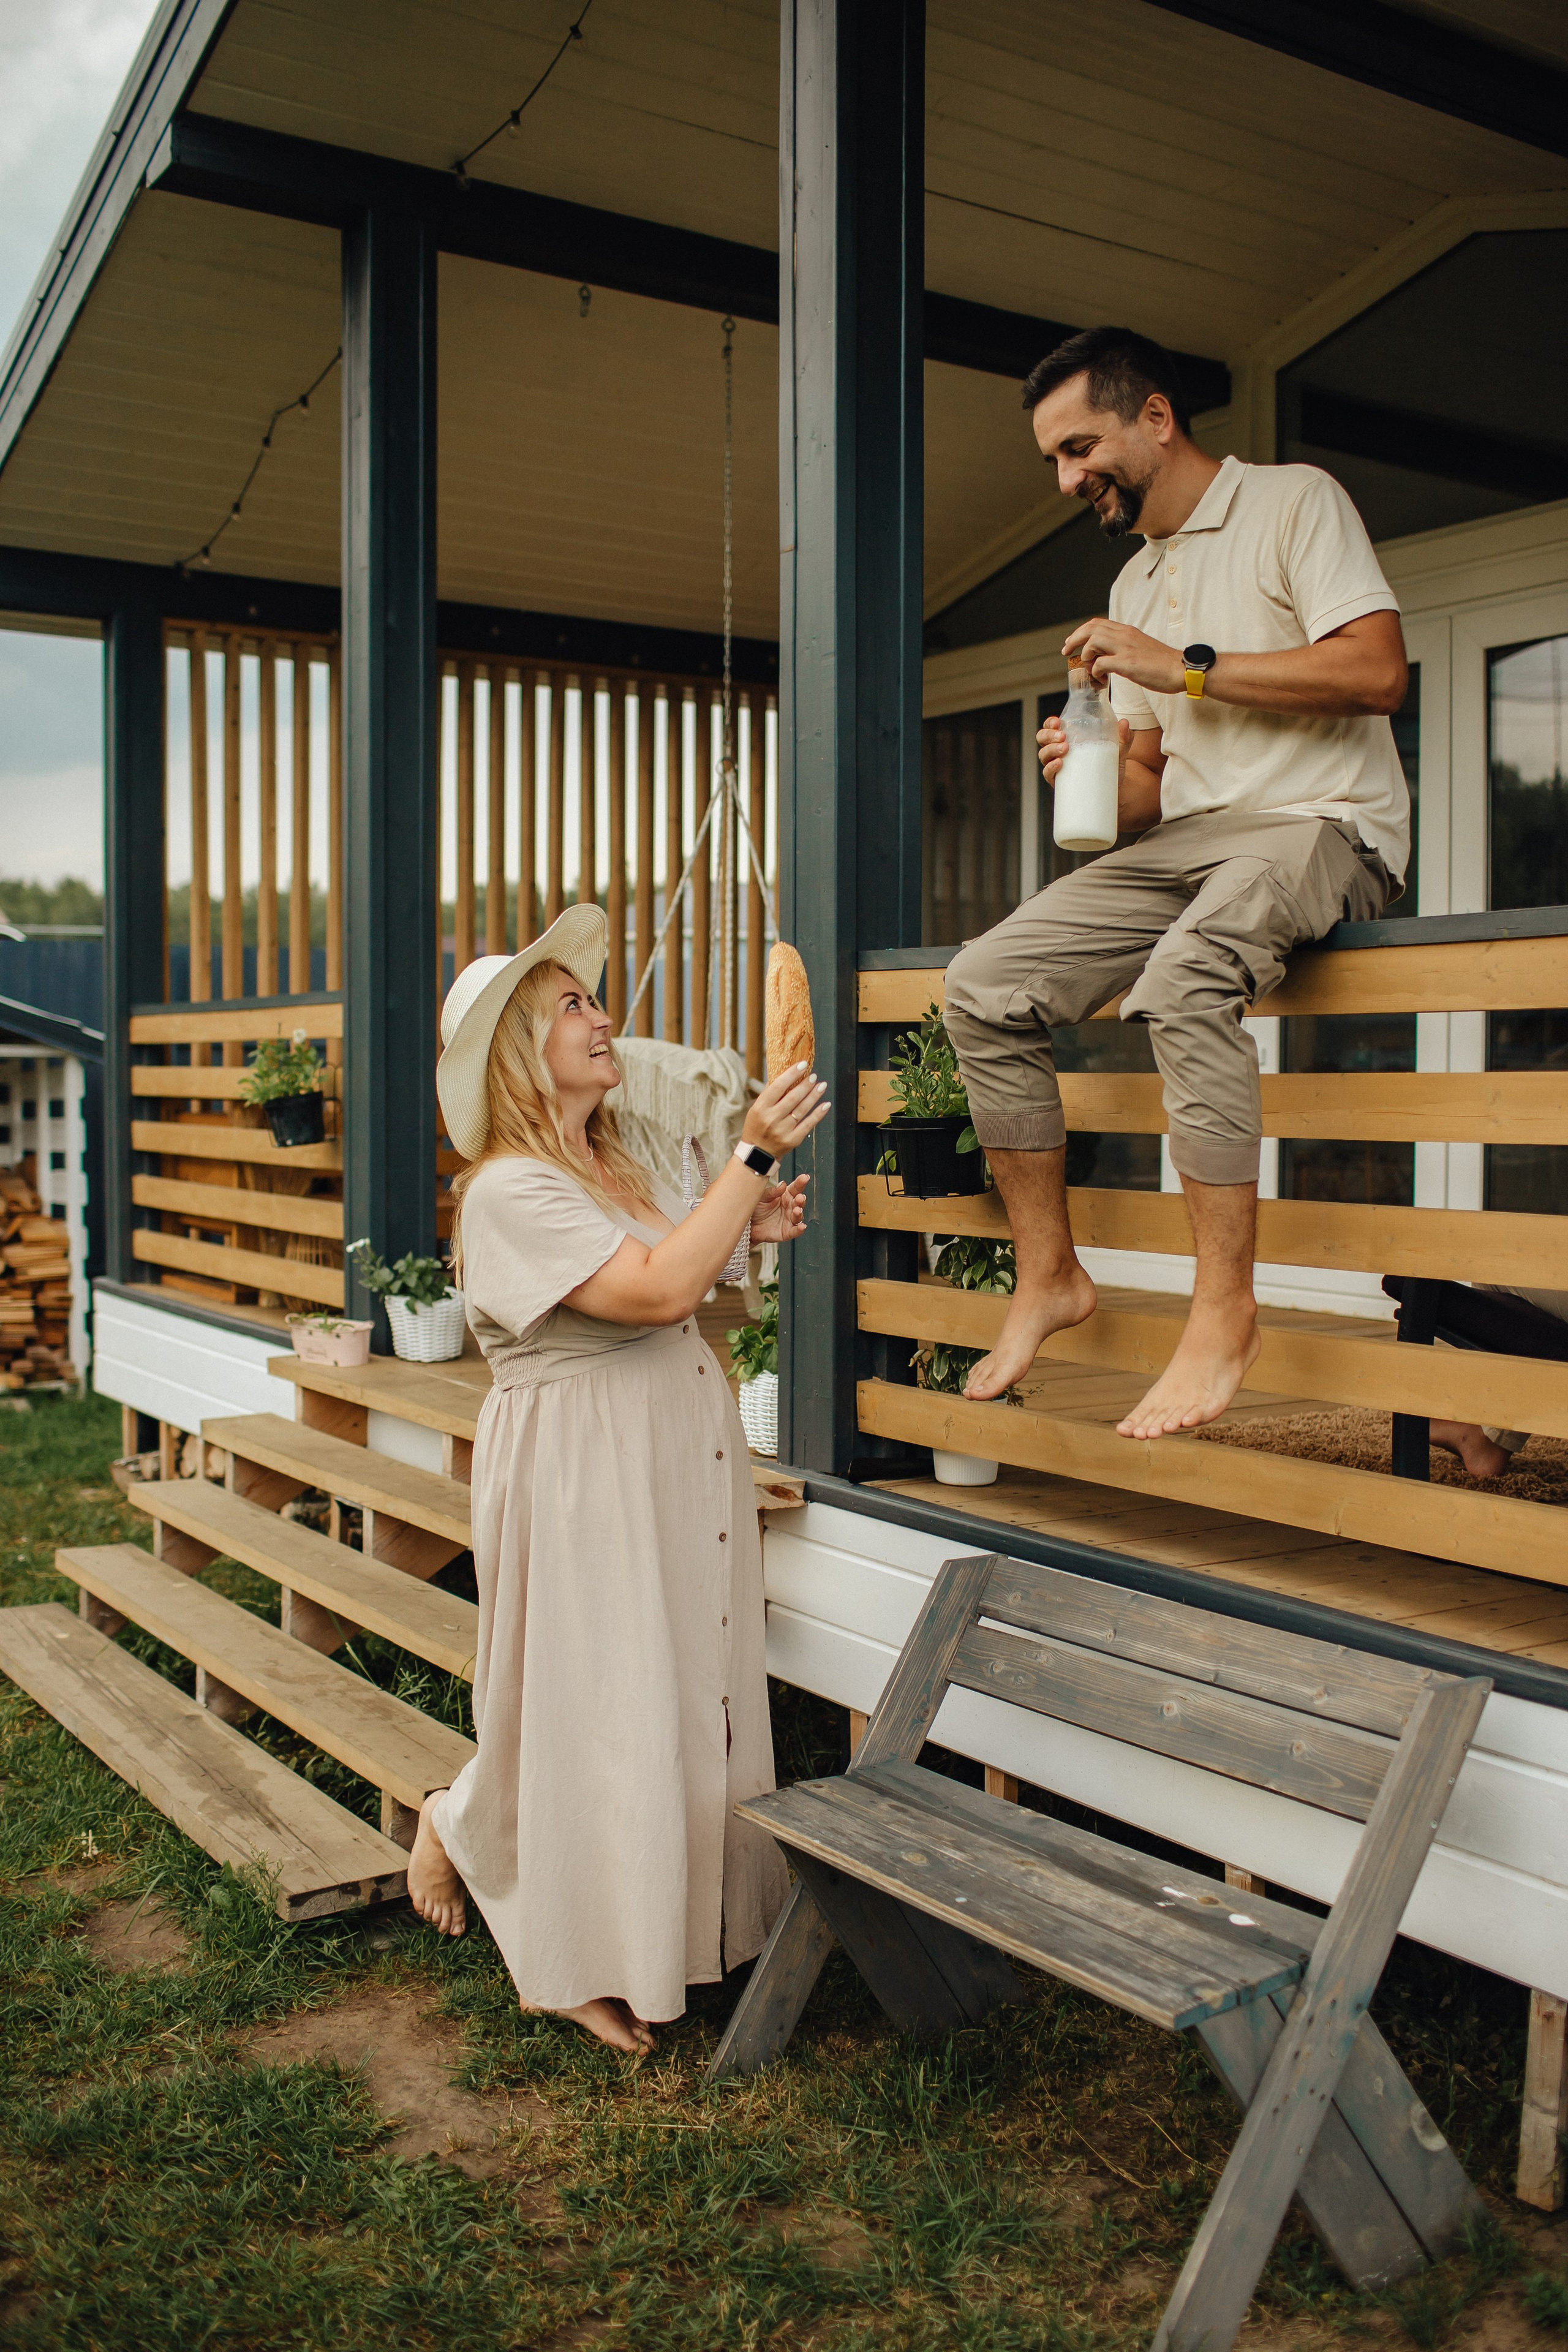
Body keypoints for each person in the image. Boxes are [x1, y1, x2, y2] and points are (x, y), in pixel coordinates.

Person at [943, 325, 1409, 1439]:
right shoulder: (1134, 576)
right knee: (980, 983)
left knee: (1182, 979)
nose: (1067, 479)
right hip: (1187, 839)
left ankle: (1221, 1311)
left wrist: (1180, 664)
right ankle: (1049, 1276)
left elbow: (1377, 671)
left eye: (1081, 446)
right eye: (1054, 460)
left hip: (1322, 826)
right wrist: (1092, 767)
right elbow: (1156, 785)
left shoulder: (1296, 503)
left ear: (1155, 416)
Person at [405, 905, 829, 2055]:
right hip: (582, 1471)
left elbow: (688, 1289)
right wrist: (748, 1159)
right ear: (516, 1054)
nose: (605, 1019)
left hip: (668, 1455)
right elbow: (645, 1297)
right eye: (574, 1008)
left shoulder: (615, 1164)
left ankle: (666, 1924)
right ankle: (562, 1944)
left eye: (592, 999)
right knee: (599, 1700)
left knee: (677, 1690)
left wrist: (753, 1230)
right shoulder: (503, 1191)